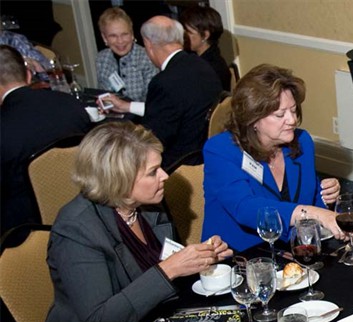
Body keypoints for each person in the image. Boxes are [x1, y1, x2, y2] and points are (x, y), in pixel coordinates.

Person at [41, 122, 231, 322]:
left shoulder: (146, 205)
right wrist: (169, 269)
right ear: (119, 179)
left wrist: (201, 259)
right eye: (153, 172)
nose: (165, 176)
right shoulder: (77, 231)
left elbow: (164, 267)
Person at [202, 64, 345, 251]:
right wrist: (311, 212)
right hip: (238, 259)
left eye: (293, 111)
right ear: (253, 119)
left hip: (292, 253)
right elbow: (245, 208)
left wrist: (327, 197)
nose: (292, 120)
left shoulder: (302, 142)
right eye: (280, 114)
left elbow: (310, 202)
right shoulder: (220, 150)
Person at [102, 16, 221, 169]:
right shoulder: (201, 65)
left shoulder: (164, 82)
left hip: (178, 163)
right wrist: (127, 106)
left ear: (149, 44)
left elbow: (152, 139)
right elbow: (174, 108)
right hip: (205, 153)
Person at [0, 45, 91, 236]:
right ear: (28, 75)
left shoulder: (4, 126)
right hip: (86, 210)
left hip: (27, 230)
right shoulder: (70, 104)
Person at [94, 8, 158, 102]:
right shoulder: (102, 59)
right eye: (113, 36)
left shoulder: (147, 58)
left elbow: (152, 100)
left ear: (132, 34)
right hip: (113, 114)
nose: (120, 41)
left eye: (124, 34)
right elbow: (104, 94)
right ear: (104, 38)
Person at [180, 5, 230, 92]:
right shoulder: (191, 57)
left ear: (205, 35)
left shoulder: (211, 68)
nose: (184, 36)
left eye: (189, 32)